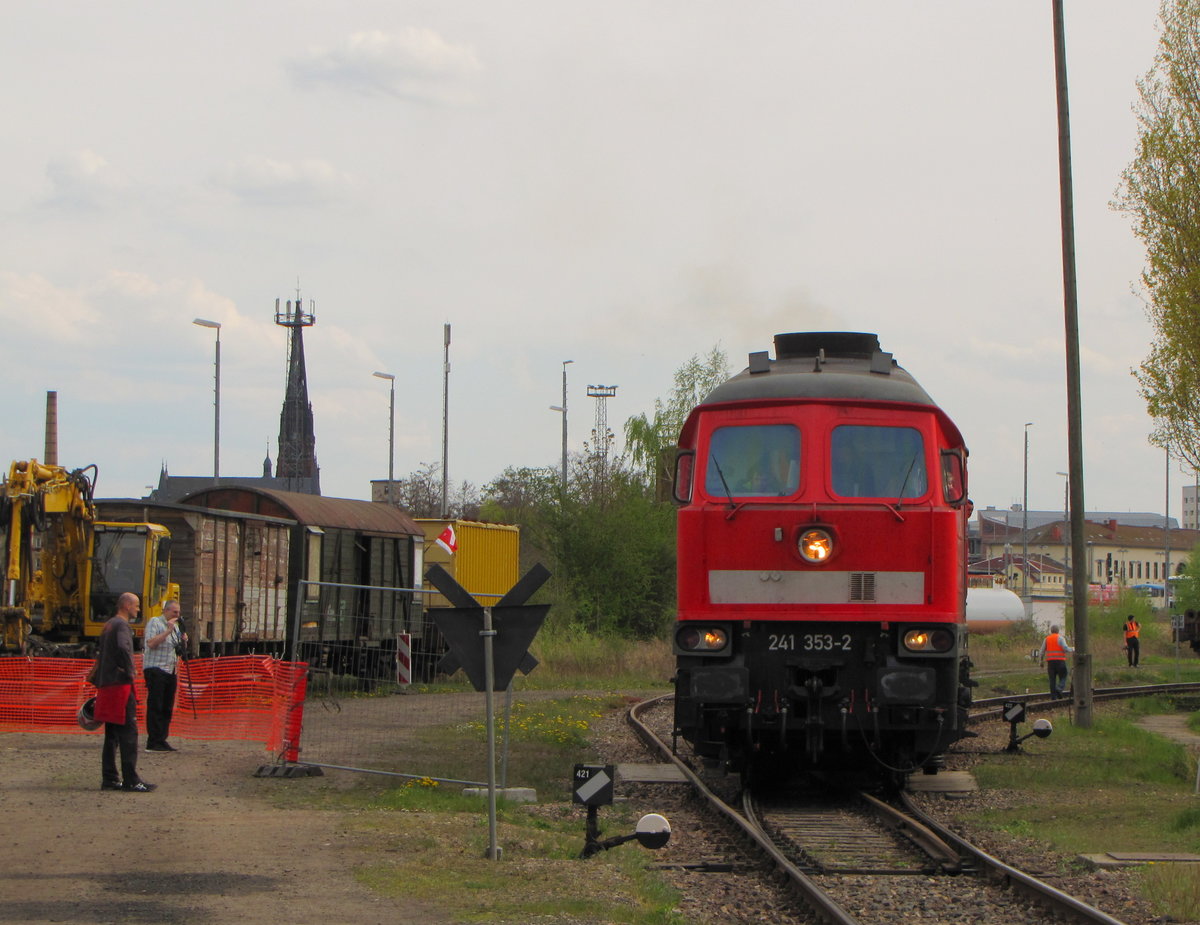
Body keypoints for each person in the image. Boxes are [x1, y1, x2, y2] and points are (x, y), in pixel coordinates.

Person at [91, 592, 155, 792]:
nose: (138, 609)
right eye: (136, 605)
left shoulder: (109, 624)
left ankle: (109, 778)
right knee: (128, 732)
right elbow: (123, 647)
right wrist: (130, 670)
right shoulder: (122, 626)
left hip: (107, 683)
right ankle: (131, 780)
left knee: (111, 733)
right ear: (126, 605)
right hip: (120, 686)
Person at [143, 599, 187, 751]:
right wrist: (168, 630)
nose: (177, 615)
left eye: (178, 612)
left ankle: (162, 739)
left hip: (171, 669)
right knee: (156, 705)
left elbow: (177, 649)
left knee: (167, 706)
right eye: (174, 612)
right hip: (156, 668)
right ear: (166, 611)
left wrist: (183, 641)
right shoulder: (154, 622)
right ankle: (153, 740)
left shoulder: (176, 627)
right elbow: (151, 643)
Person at [1037, 624, 1074, 698]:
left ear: (1051, 631)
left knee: (1052, 680)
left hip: (1050, 662)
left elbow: (1041, 651)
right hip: (1060, 661)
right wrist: (1073, 649)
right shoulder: (1060, 638)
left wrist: (1041, 662)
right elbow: (1065, 648)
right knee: (1064, 675)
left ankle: (1054, 697)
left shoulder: (1047, 639)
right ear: (1058, 631)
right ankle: (1059, 688)